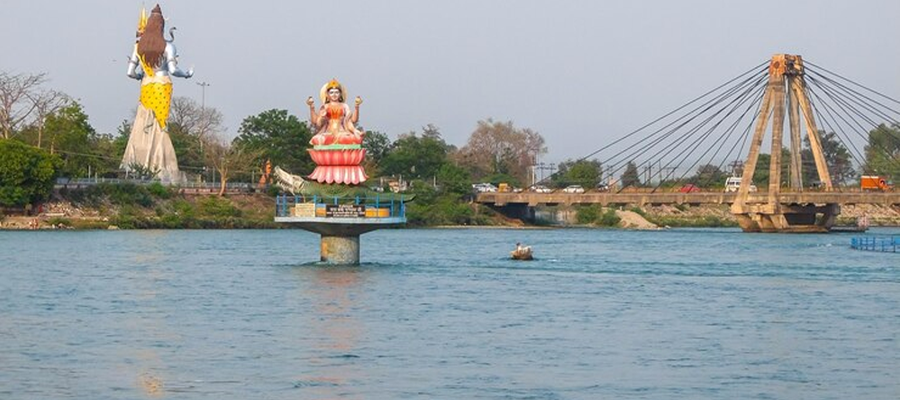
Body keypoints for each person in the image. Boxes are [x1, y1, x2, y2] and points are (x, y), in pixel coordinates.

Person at [121, 5, 193, 183]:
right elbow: (174, 70)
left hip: (146, 85)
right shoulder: (168, 46)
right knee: (160, 124)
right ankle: (160, 165)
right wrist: (187, 75)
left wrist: (141, 76)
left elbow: (130, 72)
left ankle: (138, 162)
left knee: (143, 121)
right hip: (162, 85)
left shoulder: (139, 47)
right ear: (161, 26)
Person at [307, 79, 365, 146]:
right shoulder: (325, 107)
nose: (334, 95)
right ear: (327, 94)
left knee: (355, 138)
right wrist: (312, 108)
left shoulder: (344, 106)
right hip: (328, 133)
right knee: (317, 139)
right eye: (331, 92)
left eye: (336, 92)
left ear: (340, 94)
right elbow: (317, 123)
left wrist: (356, 107)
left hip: (341, 133)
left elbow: (353, 120)